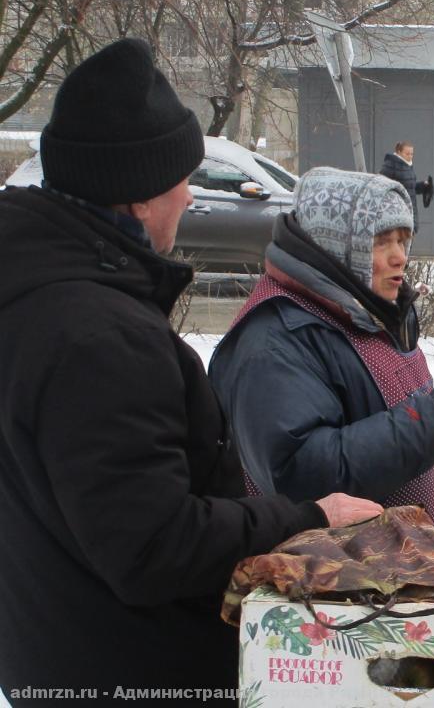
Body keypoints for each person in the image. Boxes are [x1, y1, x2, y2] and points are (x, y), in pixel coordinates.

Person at [0, 39, 382, 703]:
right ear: (142, 196)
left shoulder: (36, 289)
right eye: (183, 178)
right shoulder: (99, 339)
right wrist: (304, 519)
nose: (188, 194)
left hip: (57, 654)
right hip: (133, 669)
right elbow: (150, 546)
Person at [210, 168, 434, 530]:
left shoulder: (365, 312)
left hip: (394, 566)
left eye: (403, 240)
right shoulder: (275, 340)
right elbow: (299, 475)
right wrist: (432, 423)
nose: (399, 256)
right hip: (335, 576)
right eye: (381, 241)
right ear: (335, 243)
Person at [379, 140, 431, 232]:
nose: (410, 156)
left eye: (412, 154)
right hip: (397, 210)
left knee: (409, 238)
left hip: (410, 208)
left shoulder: (408, 166)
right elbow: (381, 184)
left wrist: (423, 185)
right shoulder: (391, 164)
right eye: (407, 154)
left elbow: (410, 187)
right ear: (399, 152)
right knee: (401, 240)